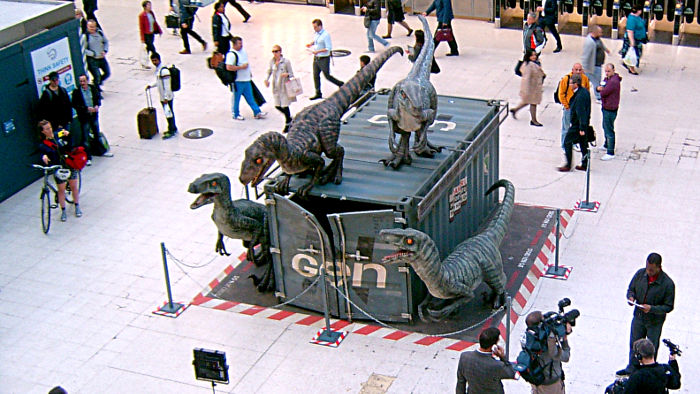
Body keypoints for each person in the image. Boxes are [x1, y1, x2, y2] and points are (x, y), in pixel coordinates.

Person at [617, 253, 675, 376]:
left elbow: (668, 306)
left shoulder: (668, 284)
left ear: (659, 267)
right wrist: (631, 297)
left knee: (651, 348)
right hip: (638, 317)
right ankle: (632, 369)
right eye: (647, 268)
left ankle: (649, 373)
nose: (648, 272)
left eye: (651, 270)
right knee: (634, 343)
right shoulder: (640, 274)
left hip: (655, 322)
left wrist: (652, 308)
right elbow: (631, 289)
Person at [37, 120, 82, 222]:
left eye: (50, 127)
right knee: (61, 190)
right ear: (43, 132)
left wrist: (68, 135)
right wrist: (44, 156)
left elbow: (70, 144)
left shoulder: (59, 134)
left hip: (69, 164)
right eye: (47, 129)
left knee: (73, 186)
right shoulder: (43, 144)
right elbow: (42, 153)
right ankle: (63, 210)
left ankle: (77, 205)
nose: (50, 130)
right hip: (58, 167)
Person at [456, 327, 517, 394]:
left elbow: (461, 383)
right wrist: (503, 357)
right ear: (494, 346)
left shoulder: (464, 357)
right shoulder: (497, 365)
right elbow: (512, 373)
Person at [525, 311, 571, 394]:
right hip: (551, 384)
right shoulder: (549, 345)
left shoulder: (528, 339)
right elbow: (566, 357)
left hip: (535, 380)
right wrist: (564, 339)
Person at [227, 36, 267, 121]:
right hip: (238, 81)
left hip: (246, 79)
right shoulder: (231, 55)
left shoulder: (243, 51)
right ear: (234, 44)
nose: (241, 45)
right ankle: (235, 113)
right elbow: (229, 67)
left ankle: (257, 112)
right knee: (236, 98)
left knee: (250, 97)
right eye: (239, 44)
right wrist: (241, 67)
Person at [558, 73, 590, 172]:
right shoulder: (583, 92)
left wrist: (582, 128)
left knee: (567, 141)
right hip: (582, 124)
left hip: (578, 124)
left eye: (571, 83)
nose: (570, 85)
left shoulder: (580, 96)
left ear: (576, 84)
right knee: (583, 143)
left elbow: (581, 113)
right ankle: (585, 164)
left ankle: (568, 164)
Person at [306, 19, 344, 100]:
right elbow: (317, 41)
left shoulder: (326, 35)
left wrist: (317, 51)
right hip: (316, 58)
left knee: (327, 75)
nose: (314, 29)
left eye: (315, 27)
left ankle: (340, 84)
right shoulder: (316, 34)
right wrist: (311, 44)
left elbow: (328, 48)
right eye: (313, 27)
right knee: (315, 75)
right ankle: (318, 92)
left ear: (320, 26)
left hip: (323, 59)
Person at [71, 74, 104, 165]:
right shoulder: (77, 92)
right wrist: (86, 108)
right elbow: (75, 104)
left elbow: (97, 98)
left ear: (87, 81)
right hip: (84, 117)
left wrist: (97, 105)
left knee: (96, 133)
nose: (82, 83)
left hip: (94, 115)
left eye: (84, 81)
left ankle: (100, 151)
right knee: (85, 137)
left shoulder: (92, 88)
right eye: (80, 81)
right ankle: (88, 157)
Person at [557, 63, 589, 151]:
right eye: (576, 70)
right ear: (572, 70)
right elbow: (561, 94)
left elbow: (587, 91)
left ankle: (574, 142)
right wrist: (566, 105)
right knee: (566, 127)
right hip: (569, 107)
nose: (578, 72)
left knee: (576, 127)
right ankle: (564, 145)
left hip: (578, 108)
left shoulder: (585, 78)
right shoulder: (566, 79)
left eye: (580, 70)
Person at [510, 49, 546, 127]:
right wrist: (526, 90)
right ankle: (534, 120)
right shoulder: (529, 65)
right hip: (532, 88)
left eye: (535, 55)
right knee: (533, 103)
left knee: (527, 102)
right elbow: (526, 79)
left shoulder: (535, 63)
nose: (534, 56)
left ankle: (515, 110)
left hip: (535, 87)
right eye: (532, 55)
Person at [264, 45, 294, 133]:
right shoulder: (272, 61)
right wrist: (266, 79)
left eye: (276, 51)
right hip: (276, 86)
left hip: (284, 86)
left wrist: (287, 74)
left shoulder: (286, 62)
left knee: (285, 105)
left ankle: (288, 122)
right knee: (277, 105)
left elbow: (291, 74)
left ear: (280, 52)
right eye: (273, 51)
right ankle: (289, 118)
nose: (275, 53)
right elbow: (269, 71)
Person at [149, 52, 178, 139]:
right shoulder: (159, 70)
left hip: (167, 98)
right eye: (153, 61)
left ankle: (172, 130)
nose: (154, 62)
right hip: (163, 97)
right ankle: (172, 128)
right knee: (168, 113)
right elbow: (159, 82)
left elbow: (167, 86)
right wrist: (151, 86)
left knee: (169, 113)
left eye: (155, 60)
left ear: (159, 59)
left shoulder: (164, 71)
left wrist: (165, 98)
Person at [597, 63, 621, 161]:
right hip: (607, 106)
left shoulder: (613, 82)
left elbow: (604, 92)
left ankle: (610, 151)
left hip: (610, 108)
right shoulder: (609, 79)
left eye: (608, 71)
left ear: (613, 70)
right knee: (605, 126)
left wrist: (600, 89)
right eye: (606, 71)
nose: (606, 73)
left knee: (609, 129)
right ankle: (607, 144)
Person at [581, 25, 609, 102]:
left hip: (598, 64)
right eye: (600, 32)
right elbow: (585, 56)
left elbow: (601, 44)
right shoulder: (590, 42)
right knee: (596, 81)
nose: (601, 33)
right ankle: (598, 96)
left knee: (591, 81)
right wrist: (584, 67)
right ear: (595, 32)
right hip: (593, 66)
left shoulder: (597, 39)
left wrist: (606, 50)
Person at [621, 5, 646, 75]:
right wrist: (632, 42)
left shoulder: (636, 17)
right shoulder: (632, 19)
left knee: (636, 53)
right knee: (634, 54)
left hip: (638, 39)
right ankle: (631, 68)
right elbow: (630, 31)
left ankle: (628, 63)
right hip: (633, 39)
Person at [85, 20, 110, 91]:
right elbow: (83, 49)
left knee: (107, 73)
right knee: (97, 76)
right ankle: (96, 89)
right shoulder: (86, 36)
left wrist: (105, 50)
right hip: (93, 59)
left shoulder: (99, 33)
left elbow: (106, 42)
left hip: (101, 57)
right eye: (90, 27)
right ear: (87, 27)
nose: (92, 28)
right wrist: (92, 53)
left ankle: (98, 83)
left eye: (93, 27)